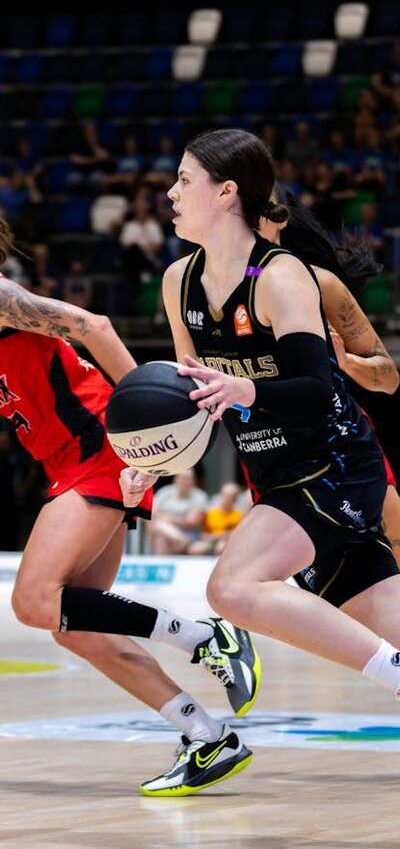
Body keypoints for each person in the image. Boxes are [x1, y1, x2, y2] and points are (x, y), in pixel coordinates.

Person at [121, 128, 400, 719]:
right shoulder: (179, 281)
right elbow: (187, 394)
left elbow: (315, 389)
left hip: (334, 466)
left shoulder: (281, 276)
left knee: (232, 589)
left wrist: (246, 387)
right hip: (274, 475)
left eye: (183, 180)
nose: (170, 193)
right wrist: (148, 464)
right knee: (382, 615)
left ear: (226, 193)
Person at [0, 216, 260, 796]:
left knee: (34, 600)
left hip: (99, 442)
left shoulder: (1, 297)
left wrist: (142, 420)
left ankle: (204, 638)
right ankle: (206, 734)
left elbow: (93, 325)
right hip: (67, 459)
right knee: (74, 623)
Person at [258, 186, 400, 565]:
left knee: (392, 546)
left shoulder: (317, 283)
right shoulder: (195, 289)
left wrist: (347, 363)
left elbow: (389, 377)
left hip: (338, 445)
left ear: (278, 219)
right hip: (264, 451)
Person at [148, 469, 208, 555]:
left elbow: (191, 522)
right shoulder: (165, 492)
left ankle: (165, 561)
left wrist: (169, 519)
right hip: (169, 534)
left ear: (193, 481)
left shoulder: (199, 496)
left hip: (189, 534)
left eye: (188, 478)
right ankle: (180, 540)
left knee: (160, 528)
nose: (184, 481)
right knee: (160, 537)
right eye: (182, 478)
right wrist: (170, 522)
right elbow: (152, 513)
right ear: (176, 479)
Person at [188, 481, 244, 557]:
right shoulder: (210, 512)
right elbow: (202, 532)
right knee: (194, 549)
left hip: (226, 543)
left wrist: (215, 536)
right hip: (209, 542)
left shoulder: (238, 515)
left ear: (234, 499)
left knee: (221, 547)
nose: (226, 498)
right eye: (224, 495)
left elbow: (235, 534)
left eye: (229, 496)